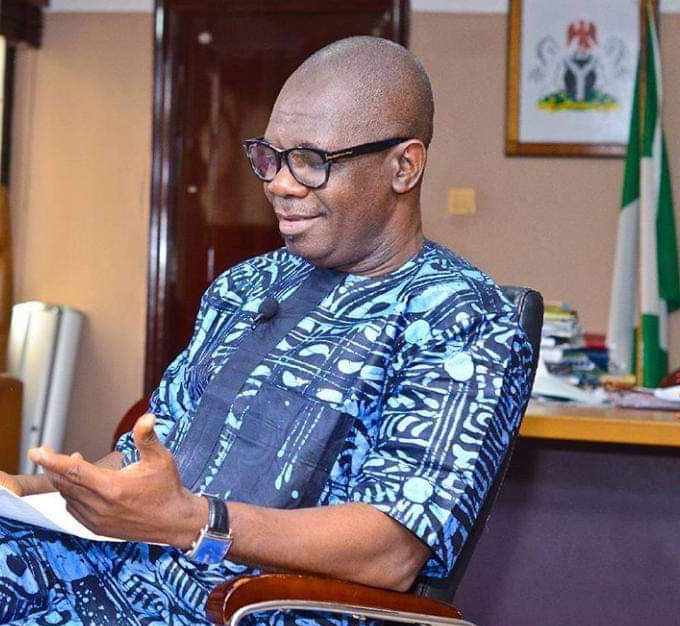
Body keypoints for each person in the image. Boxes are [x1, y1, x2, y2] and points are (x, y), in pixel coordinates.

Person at [0, 36, 532, 626]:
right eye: (271, 156)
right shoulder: (246, 285)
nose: (279, 183)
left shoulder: (463, 318)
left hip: (243, 607)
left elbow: (392, 550)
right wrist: (27, 491)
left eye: (311, 160)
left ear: (403, 167)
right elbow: (147, 458)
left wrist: (194, 520)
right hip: (115, 569)